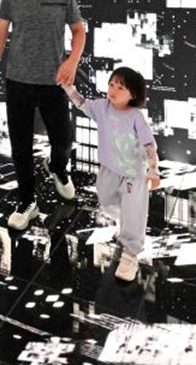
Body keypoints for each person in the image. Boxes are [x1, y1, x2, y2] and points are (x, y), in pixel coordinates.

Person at [0, 0, 86, 231]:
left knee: (63, 140)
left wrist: (72, 62)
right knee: (20, 145)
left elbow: (78, 31)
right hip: (18, 80)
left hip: (54, 81)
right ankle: (27, 200)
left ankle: (57, 168)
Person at [61, 66, 160, 281]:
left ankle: (130, 254)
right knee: (107, 203)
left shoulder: (135, 117)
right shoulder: (102, 107)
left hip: (133, 174)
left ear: (133, 95)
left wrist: (153, 170)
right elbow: (82, 103)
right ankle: (125, 222)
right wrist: (69, 89)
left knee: (133, 210)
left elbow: (149, 145)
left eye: (120, 87)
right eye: (112, 84)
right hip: (108, 169)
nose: (113, 90)